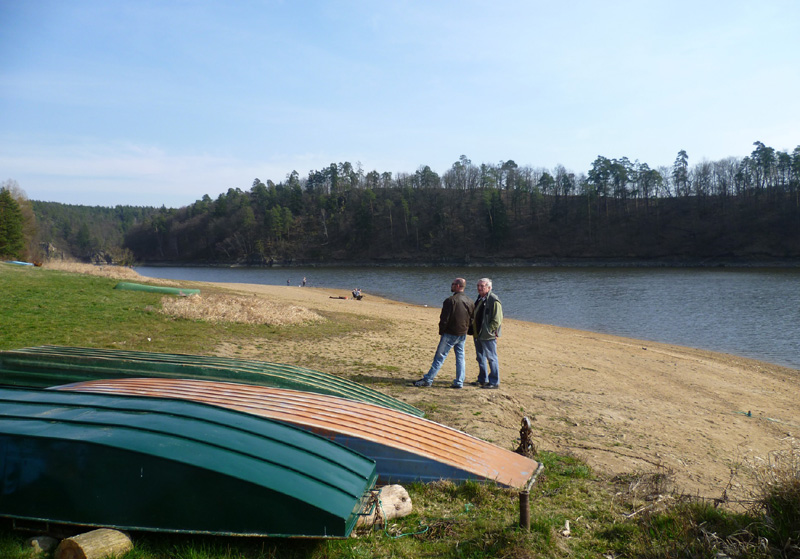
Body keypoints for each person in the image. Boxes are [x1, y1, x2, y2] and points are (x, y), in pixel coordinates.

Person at [413, 278, 475, 389]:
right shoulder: (469, 301)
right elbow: (471, 319)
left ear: (457, 286)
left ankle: (428, 380)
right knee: (460, 357)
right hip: (462, 334)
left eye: (452, 284)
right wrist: (467, 330)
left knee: (440, 357)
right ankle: (459, 382)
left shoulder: (450, 301)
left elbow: (444, 319)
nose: (451, 286)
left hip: (450, 333)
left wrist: (442, 331)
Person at [470, 277, 503, 389]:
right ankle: (483, 379)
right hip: (477, 334)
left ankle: (494, 382)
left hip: (487, 336)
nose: (479, 288)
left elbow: (497, 320)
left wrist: (489, 331)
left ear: (489, 288)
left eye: (482, 286)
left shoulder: (493, 300)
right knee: (480, 357)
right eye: (478, 286)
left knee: (491, 358)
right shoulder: (480, 298)